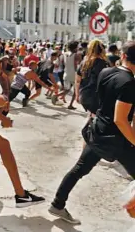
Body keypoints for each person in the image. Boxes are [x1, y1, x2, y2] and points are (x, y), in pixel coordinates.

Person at [49, 41, 135, 224]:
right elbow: (120, 120)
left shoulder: (106, 72)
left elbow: (101, 102)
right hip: (116, 138)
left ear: (123, 56)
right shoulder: (129, 83)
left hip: (97, 131)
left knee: (79, 168)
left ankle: (57, 204)